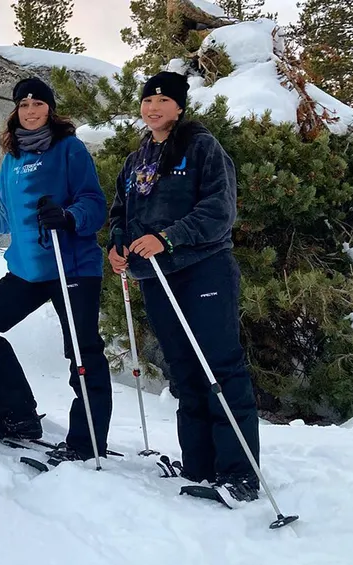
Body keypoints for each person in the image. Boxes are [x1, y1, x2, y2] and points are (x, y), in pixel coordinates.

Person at [107, 71, 260, 502]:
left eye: (163, 100)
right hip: (155, 276)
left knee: (221, 367)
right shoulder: (137, 159)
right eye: (147, 100)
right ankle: (198, 465)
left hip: (202, 267)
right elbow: (122, 211)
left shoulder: (201, 147)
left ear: (179, 106)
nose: (153, 107)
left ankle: (239, 473)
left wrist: (169, 237)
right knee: (184, 370)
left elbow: (219, 209)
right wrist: (117, 246)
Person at [0, 77, 111, 464]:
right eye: (23, 105)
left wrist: (69, 216)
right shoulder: (12, 161)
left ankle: (87, 442)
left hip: (71, 265)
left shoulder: (69, 149)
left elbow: (95, 203)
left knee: (83, 351)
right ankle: (19, 416)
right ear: (16, 112)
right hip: (28, 269)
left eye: (37, 103)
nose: (30, 111)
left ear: (50, 109)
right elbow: (5, 219)